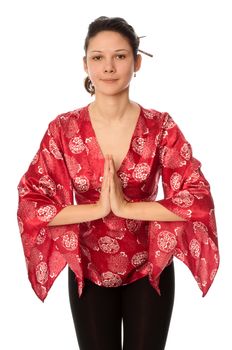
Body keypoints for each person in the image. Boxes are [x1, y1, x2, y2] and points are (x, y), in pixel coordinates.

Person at [17, 16, 219, 350]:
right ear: (85, 64)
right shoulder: (63, 129)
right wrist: (98, 209)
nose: (108, 67)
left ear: (137, 62)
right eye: (98, 57)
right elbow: (31, 203)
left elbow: (197, 198)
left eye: (120, 56)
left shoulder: (161, 127)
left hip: (149, 269)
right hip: (89, 268)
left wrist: (126, 207)